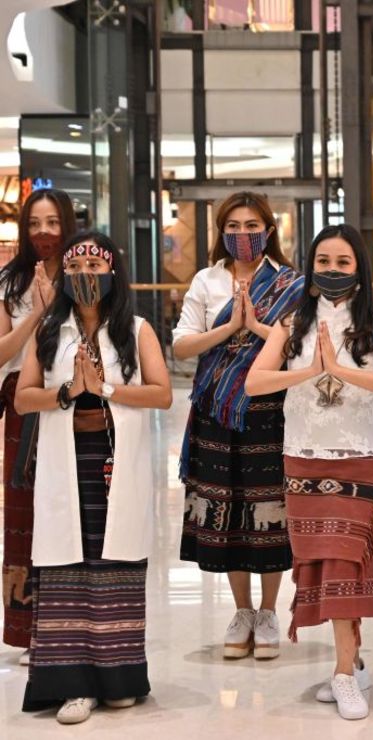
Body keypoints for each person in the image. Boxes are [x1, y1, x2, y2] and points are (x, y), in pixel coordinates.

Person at [245, 224, 373, 720]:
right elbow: (255, 383)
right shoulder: (291, 322)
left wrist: (342, 370)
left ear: (359, 270)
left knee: (349, 564)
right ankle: (351, 661)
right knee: (318, 564)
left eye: (343, 263)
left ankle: (341, 674)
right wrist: (311, 370)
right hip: (305, 454)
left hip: (363, 454)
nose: (332, 271)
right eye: (323, 262)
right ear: (310, 269)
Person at [17, 232, 172, 723]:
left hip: (115, 461)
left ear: (111, 272)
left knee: (114, 567)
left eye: (93, 264)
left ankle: (119, 676)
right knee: (69, 564)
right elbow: (23, 398)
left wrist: (103, 387)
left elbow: (162, 393)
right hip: (66, 462)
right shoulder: (49, 330)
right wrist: (67, 391)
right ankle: (74, 684)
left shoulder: (137, 328)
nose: (85, 274)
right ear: (65, 276)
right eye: (76, 266)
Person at [173, 191, 304, 659]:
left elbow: (300, 345)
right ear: (221, 232)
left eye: (252, 226)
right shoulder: (206, 281)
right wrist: (230, 328)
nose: (243, 234)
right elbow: (182, 347)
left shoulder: (290, 283)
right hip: (216, 411)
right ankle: (242, 610)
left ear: (269, 231)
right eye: (234, 226)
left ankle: (269, 610)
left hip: (270, 412)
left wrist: (258, 327)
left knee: (268, 511)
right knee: (225, 512)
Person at [0, 188, 76, 663]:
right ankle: (29, 629)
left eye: (52, 223)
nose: (44, 232)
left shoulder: (86, 271)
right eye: (34, 224)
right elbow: (2, 353)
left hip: (75, 400)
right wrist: (37, 317)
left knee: (71, 506)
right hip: (23, 404)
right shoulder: (10, 281)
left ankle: (71, 620)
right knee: (24, 511)